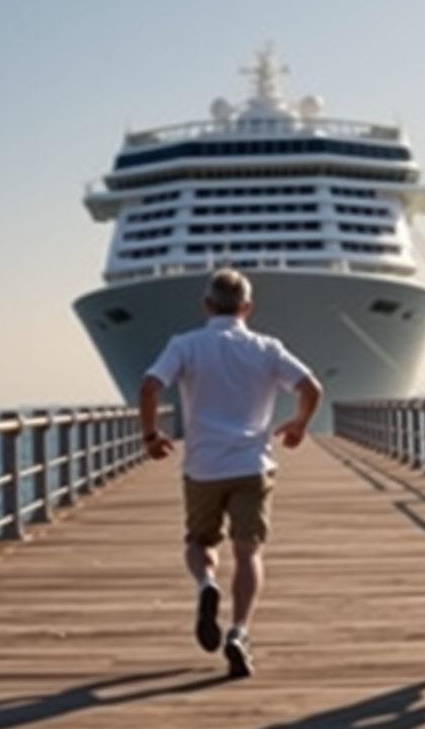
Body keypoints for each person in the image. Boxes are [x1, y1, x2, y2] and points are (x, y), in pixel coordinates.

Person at [138, 268, 323, 679]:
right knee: (248, 552)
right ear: (247, 307)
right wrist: (298, 424)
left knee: (199, 542)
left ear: (207, 305)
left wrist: (151, 435)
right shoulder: (267, 347)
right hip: (253, 465)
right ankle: (239, 632)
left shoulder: (185, 345)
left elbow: (149, 386)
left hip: (202, 465)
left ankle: (206, 584)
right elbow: (311, 387)